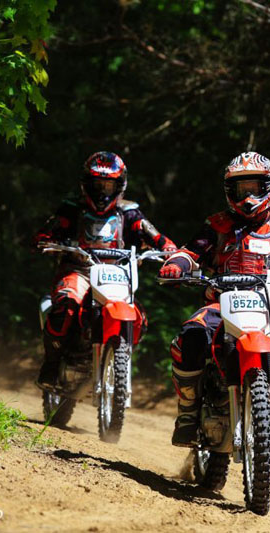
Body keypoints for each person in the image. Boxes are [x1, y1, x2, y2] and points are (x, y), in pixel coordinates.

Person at [158, 151, 270, 449]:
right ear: (230, 191)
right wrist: (178, 265)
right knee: (191, 337)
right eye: (242, 189)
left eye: (254, 187)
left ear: (269, 186)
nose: (248, 195)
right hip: (219, 308)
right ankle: (187, 412)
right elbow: (191, 251)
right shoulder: (218, 225)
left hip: (268, 315)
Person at [33, 151, 176, 391]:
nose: (102, 191)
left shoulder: (130, 212)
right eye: (97, 184)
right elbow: (49, 231)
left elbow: (157, 237)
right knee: (66, 308)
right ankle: (51, 364)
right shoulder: (72, 209)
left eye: (109, 185)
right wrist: (46, 241)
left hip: (116, 274)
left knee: (139, 315)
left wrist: (171, 252)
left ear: (120, 185)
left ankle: (116, 349)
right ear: (86, 184)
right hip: (78, 271)